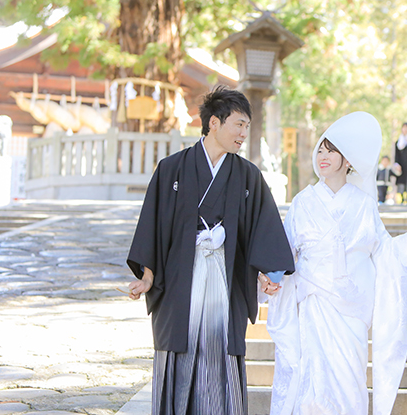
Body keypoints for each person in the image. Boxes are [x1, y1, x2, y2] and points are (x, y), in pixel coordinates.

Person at [126, 86, 295, 415]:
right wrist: (147, 277)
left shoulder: (248, 176)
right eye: (239, 124)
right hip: (179, 281)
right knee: (180, 352)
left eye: (247, 126)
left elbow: (262, 227)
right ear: (214, 123)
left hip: (224, 279)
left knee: (221, 359)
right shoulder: (171, 169)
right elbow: (154, 225)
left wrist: (270, 272)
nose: (244, 133)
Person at [265, 111, 407, 415]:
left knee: (350, 379)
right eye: (320, 150)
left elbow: (381, 251)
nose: (322, 156)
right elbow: (286, 251)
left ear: (348, 159)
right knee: (312, 381)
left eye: (331, 150)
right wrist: (272, 278)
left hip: (351, 307)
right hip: (313, 302)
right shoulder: (303, 202)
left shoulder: (365, 204)